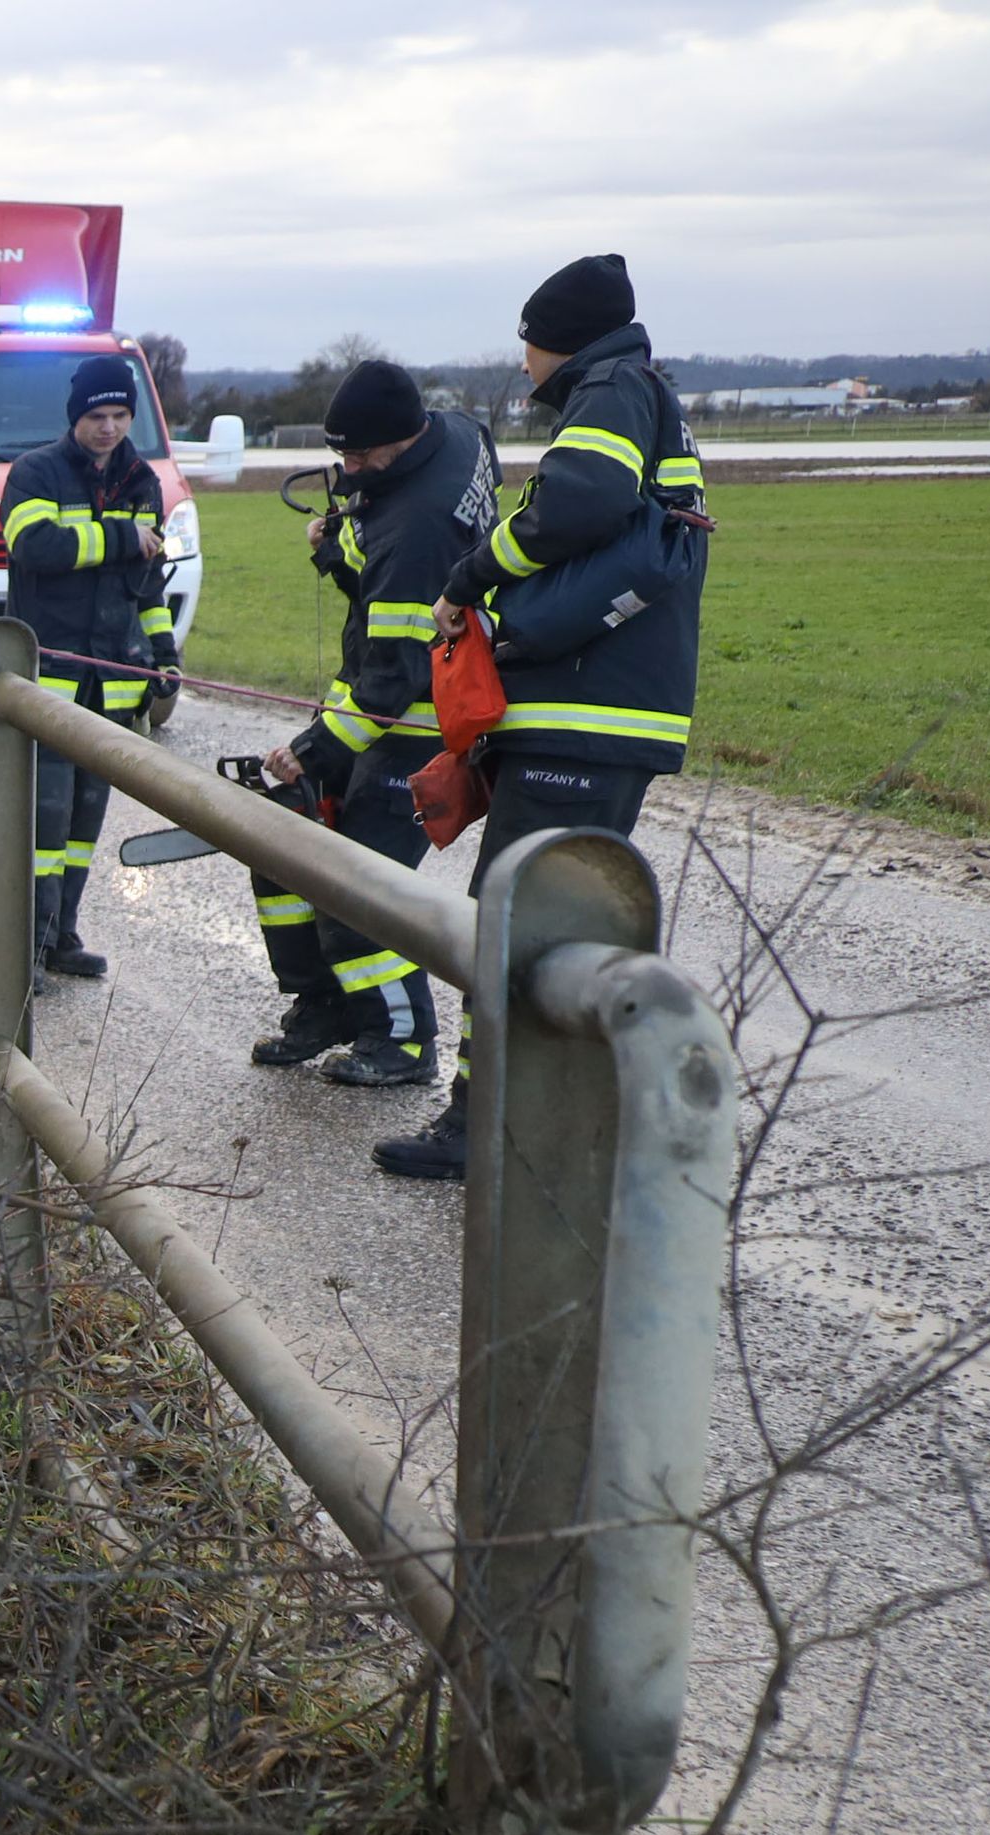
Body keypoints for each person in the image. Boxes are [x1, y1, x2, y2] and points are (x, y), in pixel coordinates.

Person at [376, 254, 706, 1181]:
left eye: (527, 341)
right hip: (602, 717)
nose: (522, 362)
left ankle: (489, 1129)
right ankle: (543, 1126)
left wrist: (472, 575)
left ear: (556, 339)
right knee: (552, 923)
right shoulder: (638, 391)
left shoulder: (610, 390)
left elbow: (579, 503)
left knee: (516, 919)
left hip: (586, 715)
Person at [248, 359, 499, 1089]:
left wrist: (314, 750)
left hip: (417, 729)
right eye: (343, 455)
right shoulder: (459, 433)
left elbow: (393, 679)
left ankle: (403, 1039)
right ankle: (325, 1004)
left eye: (361, 457)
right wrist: (341, 552)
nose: (350, 471)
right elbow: (382, 593)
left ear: (404, 437)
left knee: (357, 885)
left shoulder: (418, 531)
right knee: (285, 849)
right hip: (384, 699)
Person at [0, 355, 181, 982]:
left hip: (112, 685)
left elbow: (147, 586)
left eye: (120, 416)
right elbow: (34, 546)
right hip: (50, 680)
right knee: (43, 826)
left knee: (81, 828)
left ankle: (61, 937)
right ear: (76, 416)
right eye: (98, 416)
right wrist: (121, 537)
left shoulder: (141, 481)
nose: (109, 427)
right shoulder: (35, 472)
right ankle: (26, 947)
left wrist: (164, 653)